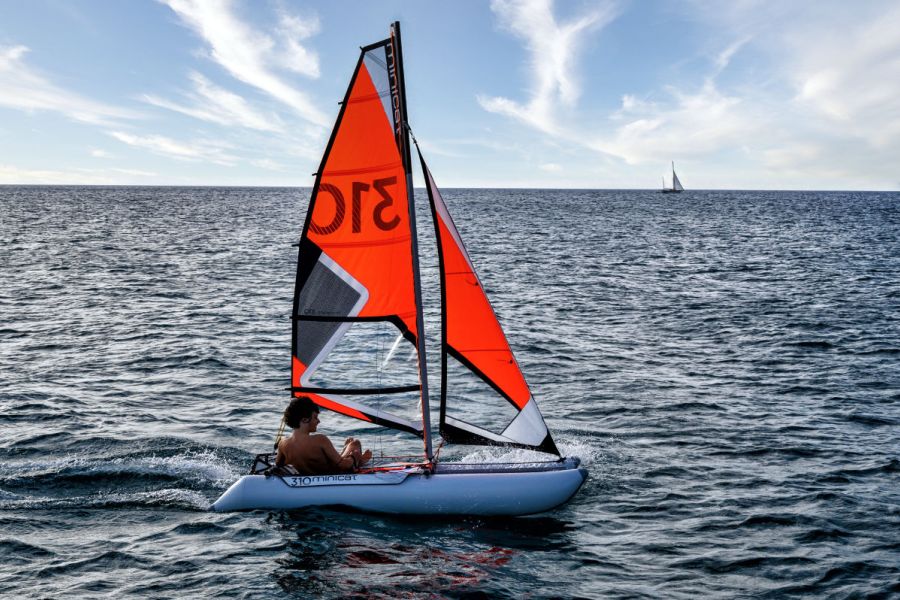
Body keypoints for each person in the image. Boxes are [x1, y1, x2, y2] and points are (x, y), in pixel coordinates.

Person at [275, 395, 372, 475]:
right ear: (304, 419)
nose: (318, 421)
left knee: (344, 451)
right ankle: (359, 461)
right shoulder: (320, 440)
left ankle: (345, 452)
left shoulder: (282, 443)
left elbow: (278, 465)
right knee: (355, 444)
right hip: (332, 473)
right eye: (315, 417)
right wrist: (354, 457)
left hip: (309, 473)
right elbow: (343, 465)